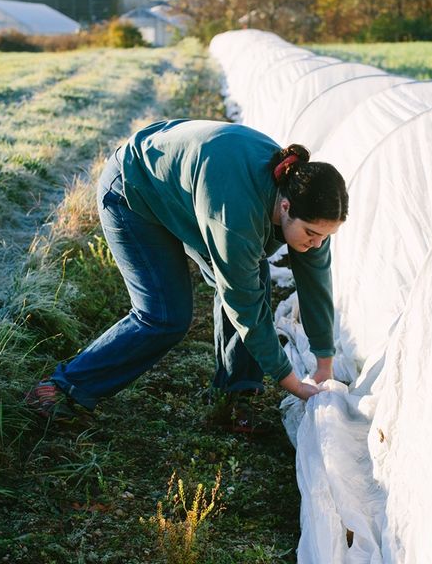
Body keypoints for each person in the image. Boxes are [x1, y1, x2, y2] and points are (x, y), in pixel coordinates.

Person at [25, 118, 348, 427]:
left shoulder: (307, 205)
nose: (316, 243)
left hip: (188, 197)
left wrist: (324, 365)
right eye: (310, 234)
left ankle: (234, 396)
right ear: (286, 206)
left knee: (255, 275)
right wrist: (291, 382)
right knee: (164, 316)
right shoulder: (236, 213)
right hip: (133, 190)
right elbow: (244, 303)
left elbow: (316, 284)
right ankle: (64, 387)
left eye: (325, 236)